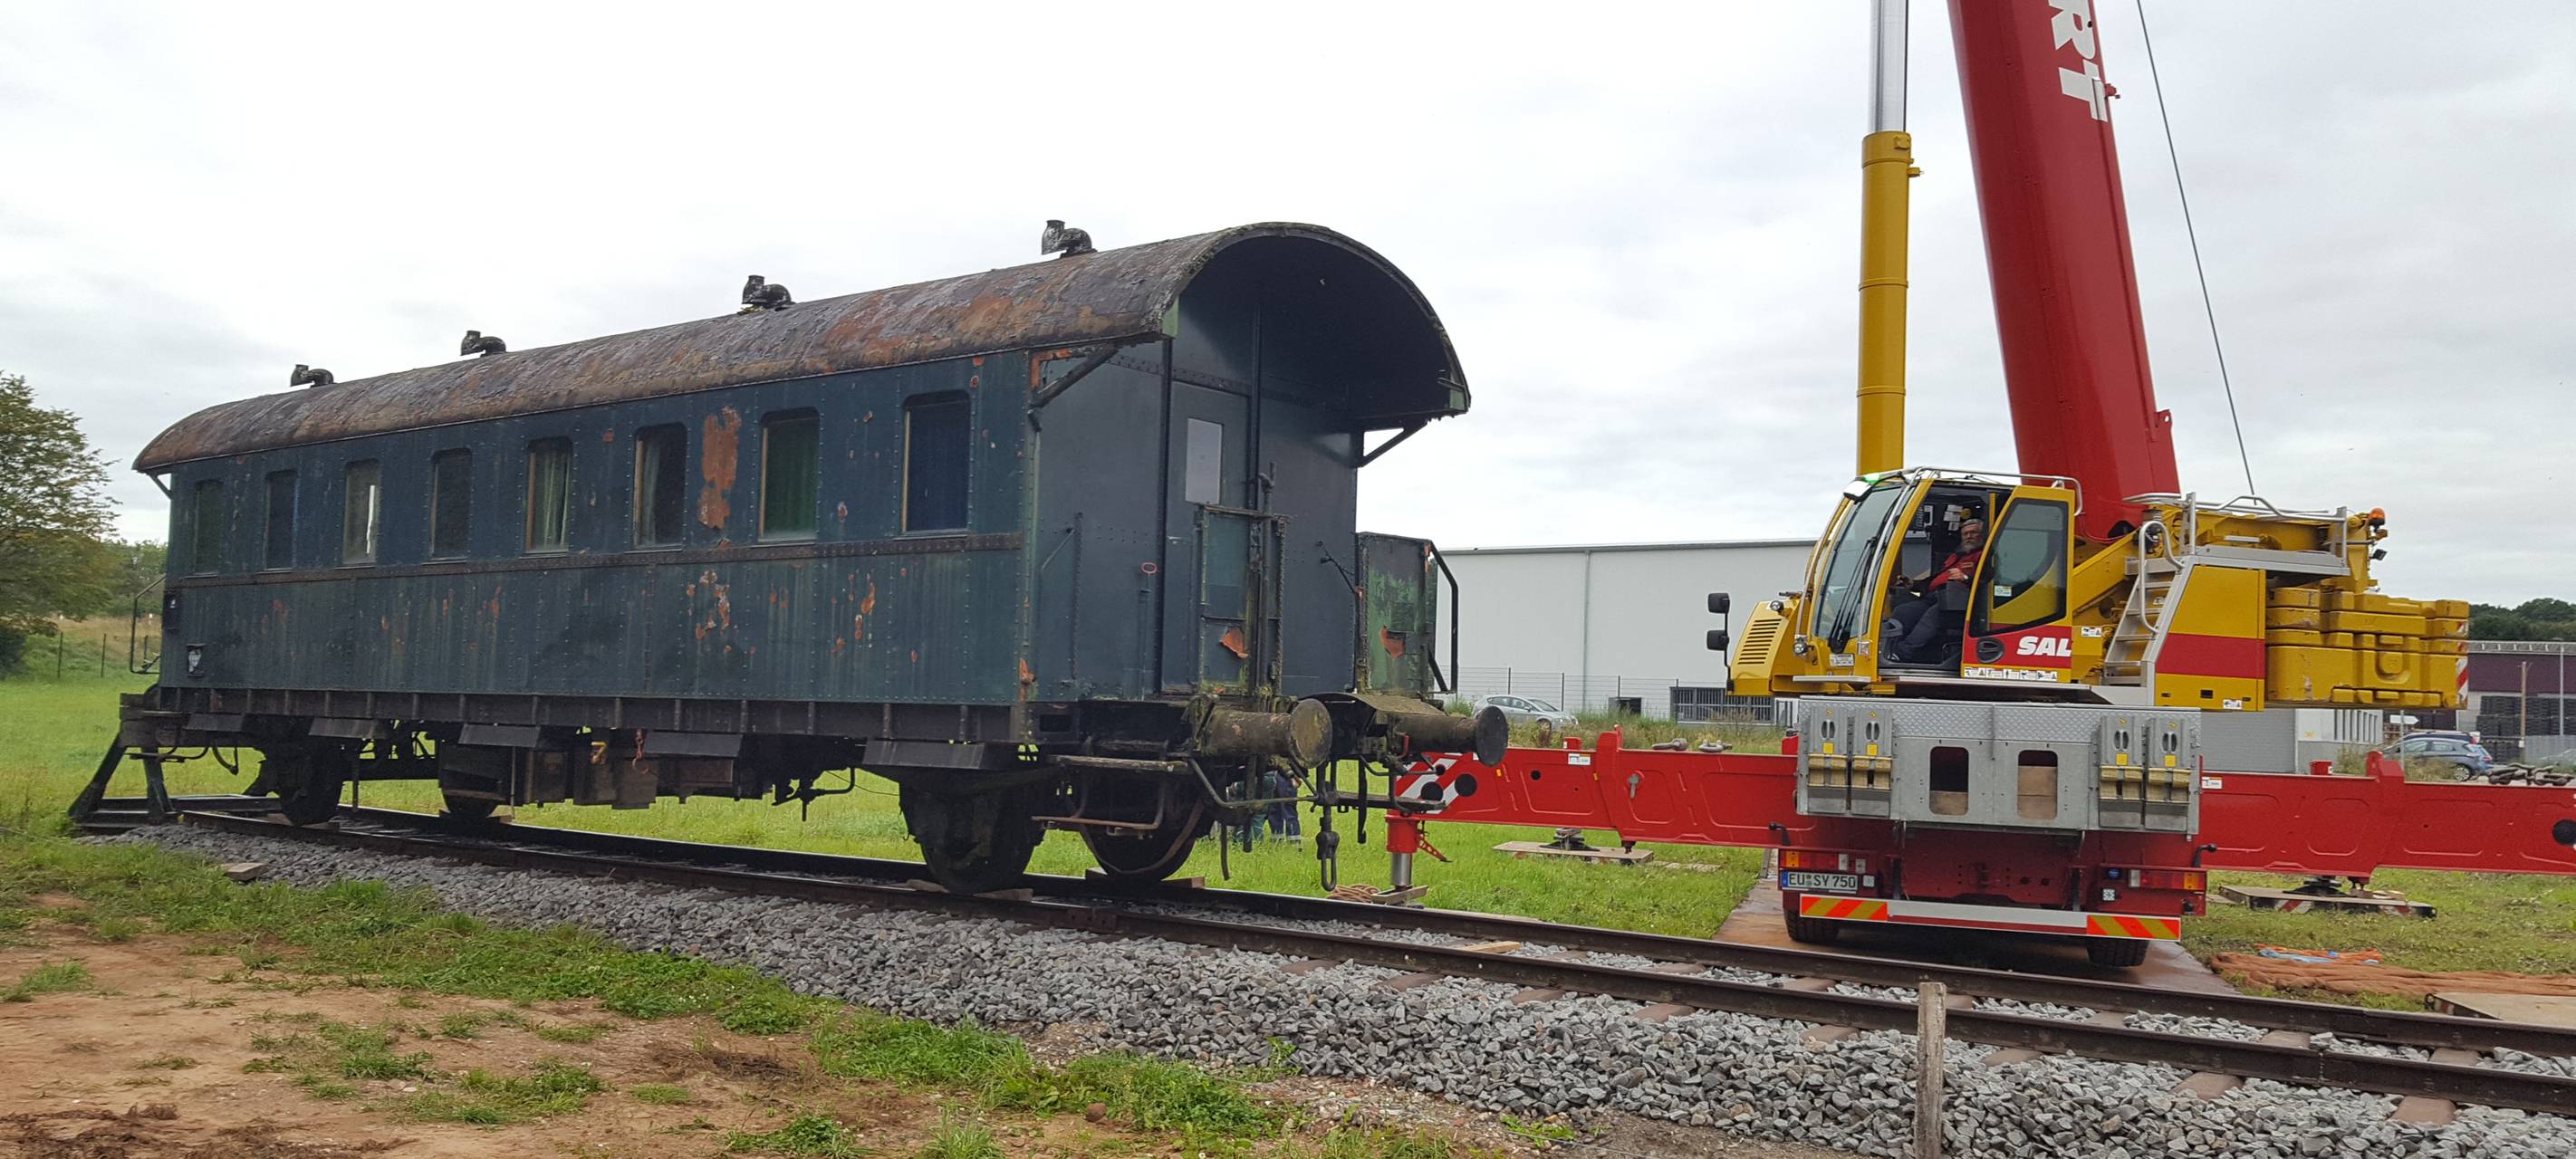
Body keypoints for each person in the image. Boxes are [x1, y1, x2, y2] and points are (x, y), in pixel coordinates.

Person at [1886, 517, 1986, 663]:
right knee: (1903, 610)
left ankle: (1904, 652)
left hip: (1962, 604)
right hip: (1938, 596)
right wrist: (1913, 584)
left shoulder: (1984, 556)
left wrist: (1965, 578)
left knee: (1933, 616)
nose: (1969, 536)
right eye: (1965, 534)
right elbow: (1936, 580)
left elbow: (1989, 583)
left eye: (1973, 533)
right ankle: (1889, 648)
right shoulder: (1956, 557)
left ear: (1982, 535)